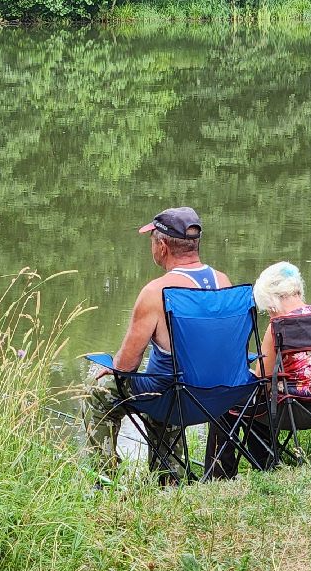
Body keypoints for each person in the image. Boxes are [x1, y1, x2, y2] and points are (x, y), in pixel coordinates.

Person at [83, 206, 233, 482]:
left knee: (99, 389)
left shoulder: (156, 292)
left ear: (162, 246)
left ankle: (102, 480)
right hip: (218, 395)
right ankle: (169, 477)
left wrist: (109, 367)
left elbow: (126, 366)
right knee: (170, 377)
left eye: (152, 240)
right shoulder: (222, 282)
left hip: (173, 397)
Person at [253, 261, 311, 396]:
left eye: (268, 310)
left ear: (271, 301)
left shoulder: (278, 326)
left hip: (290, 406)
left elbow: (262, 382)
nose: (270, 316)